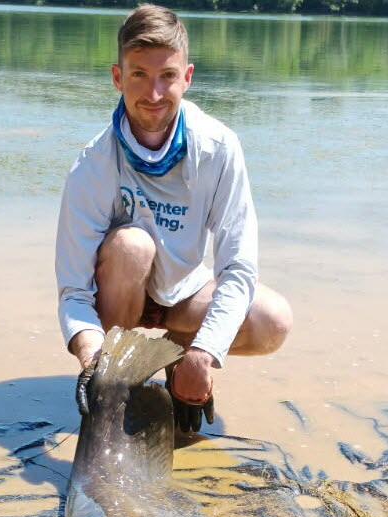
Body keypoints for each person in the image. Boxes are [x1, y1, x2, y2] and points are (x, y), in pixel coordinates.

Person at [55, 3, 291, 433]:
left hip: (181, 294)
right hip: (120, 292)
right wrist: (91, 357)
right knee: (132, 246)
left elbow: (238, 268)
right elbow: (73, 290)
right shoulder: (93, 163)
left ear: (188, 77)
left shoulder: (219, 148)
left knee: (273, 321)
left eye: (167, 76)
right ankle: (117, 375)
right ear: (116, 77)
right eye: (139, 75)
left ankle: (177, 354)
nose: (154, 94)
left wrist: (204, 352)